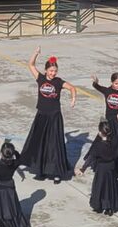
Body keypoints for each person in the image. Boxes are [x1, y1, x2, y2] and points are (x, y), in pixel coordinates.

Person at [21, 48, 77, 183]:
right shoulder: (40, 78)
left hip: (54, 117)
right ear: (46, 70)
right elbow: (31, 65)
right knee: (40, 143)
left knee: (54, 145)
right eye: (51, 71)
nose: (53, 73)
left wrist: (73, 98)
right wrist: (35, 53)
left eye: (55, 71)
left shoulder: (58, 82)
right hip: (41, 115)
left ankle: (56, 173)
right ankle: (41, 170)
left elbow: (72, 88)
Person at [75, 119, 118, 216]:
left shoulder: (98, 145)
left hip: (101, 169)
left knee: (100, 187)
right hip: (111, 168)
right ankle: (109, 208)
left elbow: (91, 158)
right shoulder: (113, 142)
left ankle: (99, 205)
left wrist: (83, 169)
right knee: (109, 188)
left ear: (100, 133)